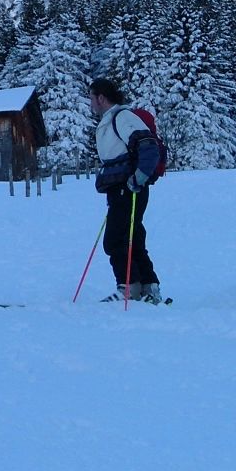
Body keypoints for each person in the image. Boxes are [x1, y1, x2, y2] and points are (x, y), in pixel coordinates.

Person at [89, 77, 163, 304]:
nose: (90, 103)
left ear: (101, 98)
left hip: (128, 187)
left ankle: (129, 288)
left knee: (115, 239)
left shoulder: (122, 117)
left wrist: (139, 177)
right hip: (121, 188)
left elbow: (148, 146)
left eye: (91, 98)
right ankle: (148, 288)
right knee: (132, 236)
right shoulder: (113, 119)